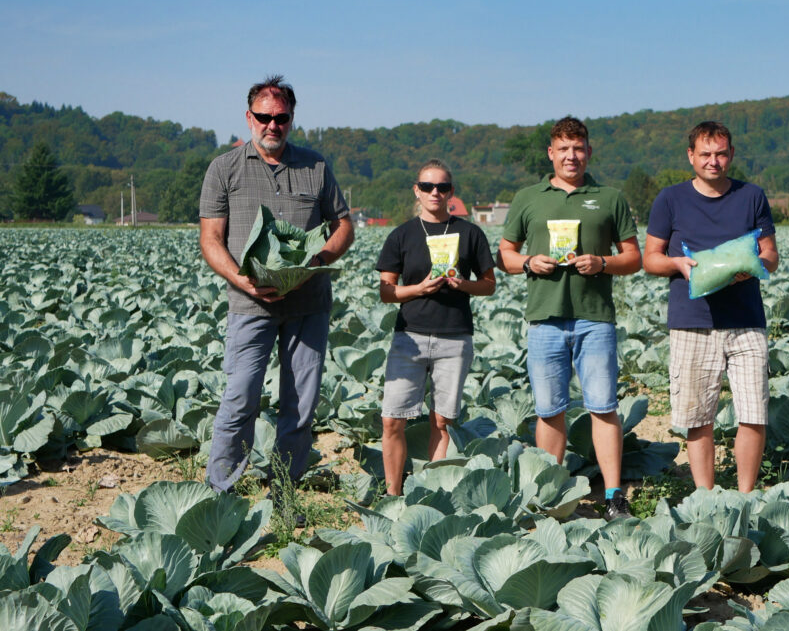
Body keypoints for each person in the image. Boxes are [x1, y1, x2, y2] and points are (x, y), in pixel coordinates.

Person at [199, 75, 354, 507]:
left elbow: (343, 224)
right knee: (240, 397)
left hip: (308, 304)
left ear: (291, 119)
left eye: (281, 117)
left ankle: (284, 496)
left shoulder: (315, 166)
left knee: (300, 405)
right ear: (249, 118)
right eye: (264, 117)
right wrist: (242, 278)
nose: (272, 125)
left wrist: (319, 260)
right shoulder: (224, 169)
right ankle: (220, 495)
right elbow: (211, 239)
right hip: (249, 304)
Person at [497, 116, 641, 519]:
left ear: (588, 152)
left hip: (595, 318)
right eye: (563, 149)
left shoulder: (609, 197)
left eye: (578, 148)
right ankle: (552, 494)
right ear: (551, 153)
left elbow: (634, 257)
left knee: (603, 406)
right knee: (549, 410)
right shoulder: (529, 197)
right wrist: (528, 261)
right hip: (544, 318)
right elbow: (504, 255)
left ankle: (614, 495)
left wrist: (602, 262)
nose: (571, 156)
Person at [642, 120, 779, 493]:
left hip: (746, 321)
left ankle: (746, 494)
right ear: (691, 156)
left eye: (721, 154)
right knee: (698, 417)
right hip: (691, 322)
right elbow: (650, 258)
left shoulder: (752, 196)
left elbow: (769, 253)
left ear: (731, 155)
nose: (714, 161)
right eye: (705, 154)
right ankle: (705, 495)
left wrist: (753, 267)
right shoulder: (670, 200)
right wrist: (677, 265)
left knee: (753, 413)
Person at [375, 160, 496, 495]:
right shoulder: (401, 235)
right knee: (392, 419)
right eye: (427, 186)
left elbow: (489, 284)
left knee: (441, 420)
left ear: (451, 192)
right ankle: (393, 494)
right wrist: (418, 290)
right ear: (417, 189)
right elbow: (386, 291)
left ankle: (433, 491)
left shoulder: (470, 233)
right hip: (409, 337)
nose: (434, 193)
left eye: (442, 187)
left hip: (454, 338)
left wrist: (462, 285)